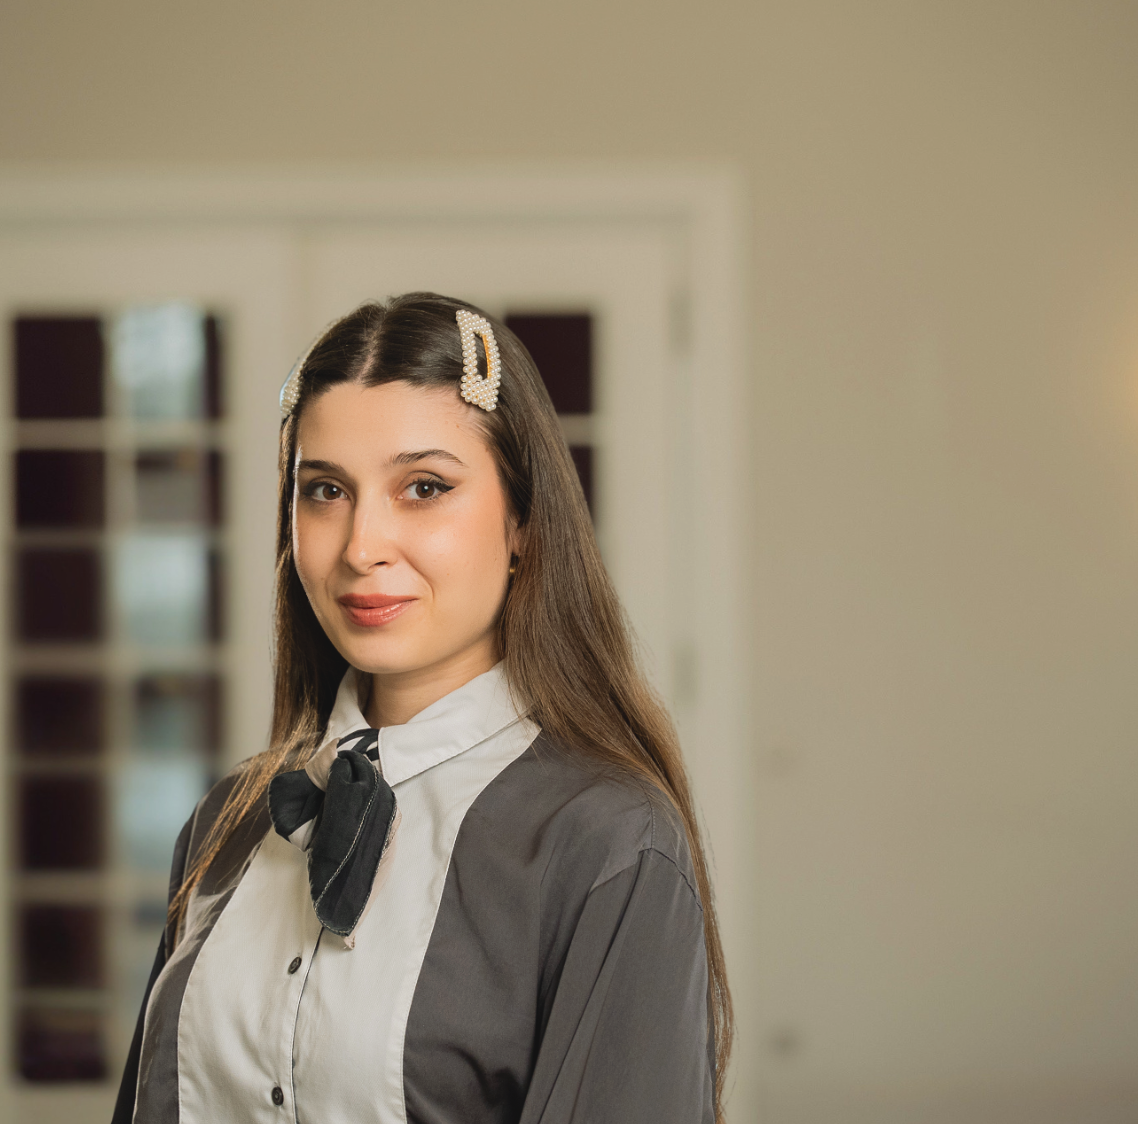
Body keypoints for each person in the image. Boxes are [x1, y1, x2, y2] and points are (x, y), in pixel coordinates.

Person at [112, 292, 731, 1124]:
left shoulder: (609, 843)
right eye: (325, 490)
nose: (362, 545)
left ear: (525, 524)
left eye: (424, 487)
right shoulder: (228, 822)